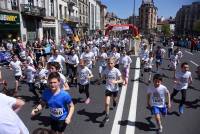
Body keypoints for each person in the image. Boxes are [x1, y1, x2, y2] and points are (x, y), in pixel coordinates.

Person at [102, 57, 123, 122]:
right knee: (107, 103)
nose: (110, 64)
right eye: (109, 63)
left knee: (114, 99)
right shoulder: (106, 70)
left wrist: (116, 82)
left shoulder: (116, 70)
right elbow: (103, 77)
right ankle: (107, 115)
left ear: (114, 64)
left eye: (111, 63)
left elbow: (121, 80)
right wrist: (101, 80)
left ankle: (114, 101)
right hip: (108, 88)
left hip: (115, 89)